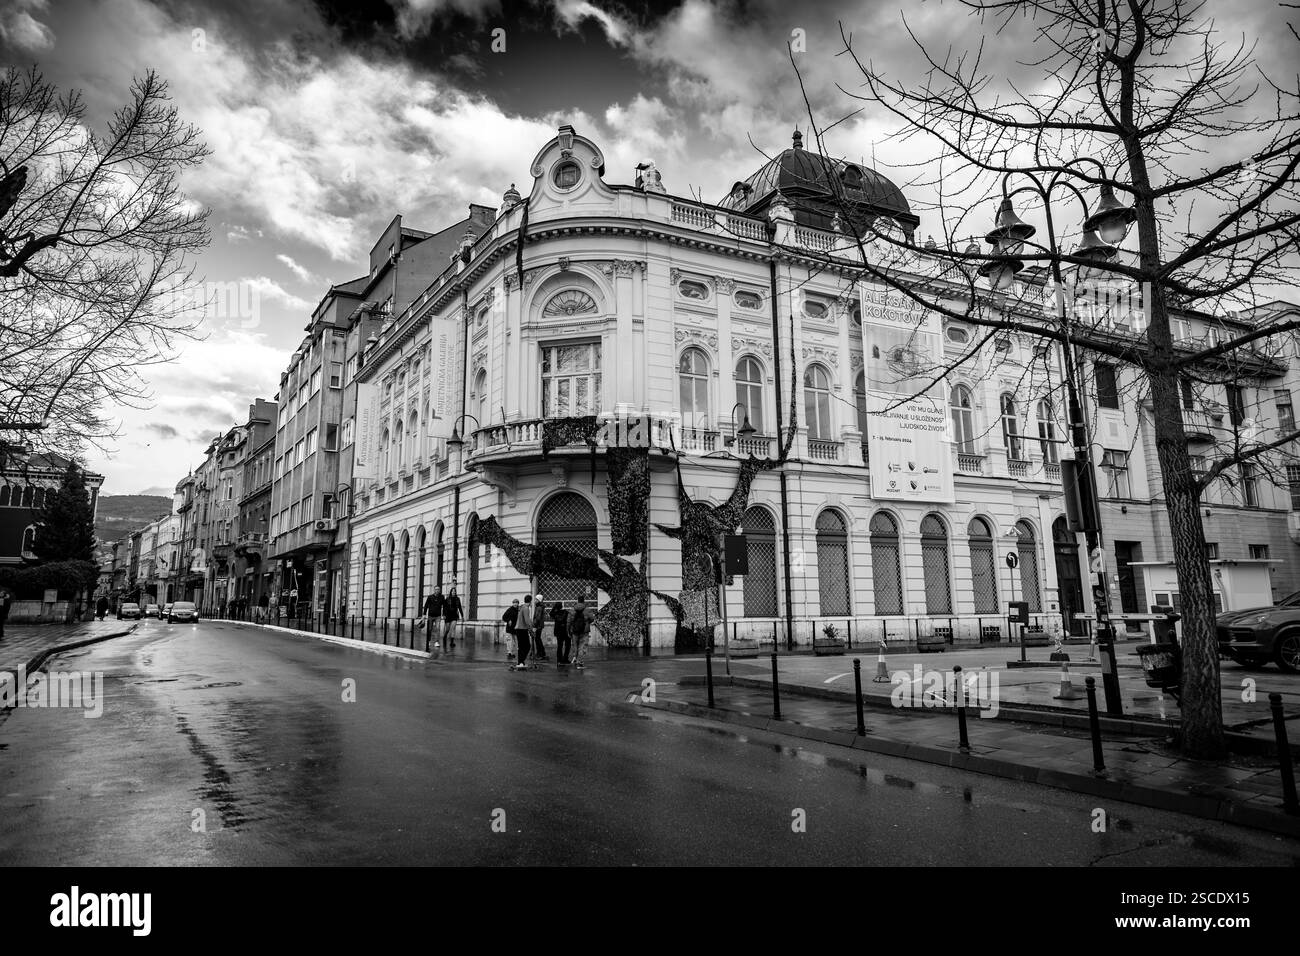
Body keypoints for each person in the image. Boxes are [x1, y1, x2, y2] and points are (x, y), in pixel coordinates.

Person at [512, 595, 534, 669]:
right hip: (522, 629)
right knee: (527, 646)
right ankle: (521, 661)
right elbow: (527, 620)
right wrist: (531, 629)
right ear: (530, 601)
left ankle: (520, 662)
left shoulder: (522, 607)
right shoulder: (526, 608)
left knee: (521, 646)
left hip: (519, 628)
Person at [569, 596, 591, 669]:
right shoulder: (587, 609)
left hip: (574, 630)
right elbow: (592, 618)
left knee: (575, 645)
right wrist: (587, 622)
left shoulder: (573, 609)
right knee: (582, 646)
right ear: (583, 601)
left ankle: (575, 658)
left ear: (577, 600)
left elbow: (569, 620)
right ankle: (580, 662)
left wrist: (569, 629)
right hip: (584, 630)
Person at [422, 586, 445, 652]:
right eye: (436, 589)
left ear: (439, 590)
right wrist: (424, 614)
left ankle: (436, 642)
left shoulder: (442, 597)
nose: (437, 590)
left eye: (438, 589)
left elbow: (444, 606)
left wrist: (443, 614)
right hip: (430, 616)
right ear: (434, 590)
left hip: (438, 616)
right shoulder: (430, 597)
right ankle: (429, 641)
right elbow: (426, 605)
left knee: (437, 628)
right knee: (430, 629)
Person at [551, 601, 570, 667]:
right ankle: (565, 658)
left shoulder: (555, 613)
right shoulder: (566, 612)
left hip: (558, 632)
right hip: (565, 631)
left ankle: (559, 660)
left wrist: (554, 607)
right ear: (562, 606)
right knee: (567, 645)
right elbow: (569, 621)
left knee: (559, 646)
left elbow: (550, 613)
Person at [502, 599, 521, 664]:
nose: (515, 604)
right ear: (512, 603)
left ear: (518, 604)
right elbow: (504, 617)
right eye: (514, 603)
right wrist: (508, 620)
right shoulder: (509, 610)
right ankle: (510, 653)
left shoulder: (519, 610)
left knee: (517, 641)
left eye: (516, 603)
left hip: (516, 629)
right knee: (509, 641)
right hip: (509, 629)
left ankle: (519, 652)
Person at [530, 593, 547, 663]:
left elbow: (537, 618)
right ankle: (542, 653)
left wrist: (534, 626)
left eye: (536, 599)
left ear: (539, 600)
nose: (535, 601)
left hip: (538, 626)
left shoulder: (539, 607)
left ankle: (540, 654)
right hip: (539, 625)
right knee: (538, 639)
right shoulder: (539, 606)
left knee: (537, 640)